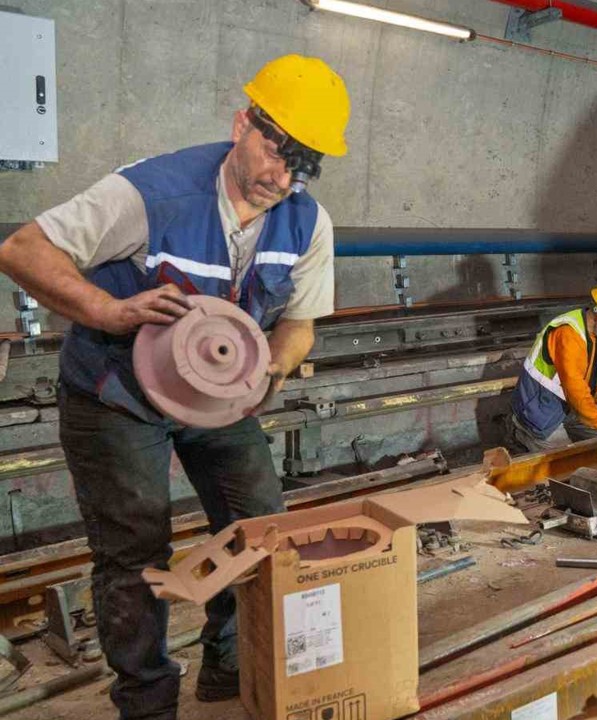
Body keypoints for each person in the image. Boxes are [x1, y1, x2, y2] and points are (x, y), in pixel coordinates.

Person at [0, 55, 348, 717]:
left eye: (303, 163)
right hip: (116, 391)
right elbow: (22, 250)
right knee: (135, 547)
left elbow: (300, 325)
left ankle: (229, 664)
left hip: (217, 397)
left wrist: (265, 367)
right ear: (243, 122)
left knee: (257, 525)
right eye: (277, 149)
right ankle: (149, 701)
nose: (283, 176)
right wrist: (106, 311)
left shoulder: (307, 223)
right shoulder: (152, 195)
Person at [507, 283, 597, 451]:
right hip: (539, 414)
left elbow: (585, 377)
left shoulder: (589, 333)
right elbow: (575, 387)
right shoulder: (568, 335)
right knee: (571, 463)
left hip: (562, 408)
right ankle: (521, 434)